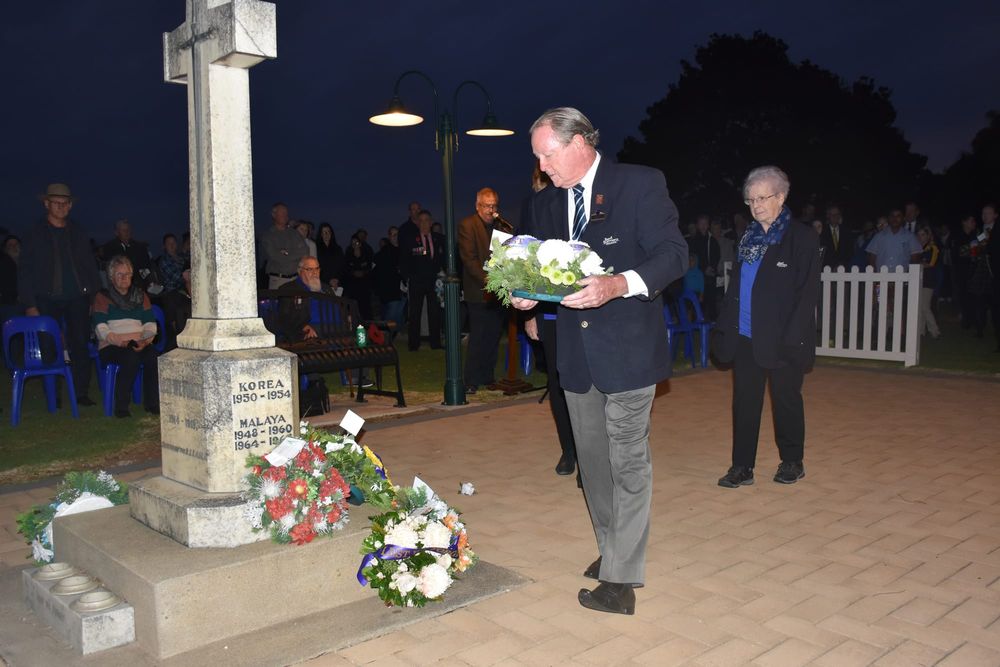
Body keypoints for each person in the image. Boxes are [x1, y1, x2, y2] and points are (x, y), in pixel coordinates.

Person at [514, 107, 687, 616]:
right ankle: (614, 549)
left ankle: (621, 580)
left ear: (579, 142)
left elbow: (673, 255)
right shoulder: (544, 204)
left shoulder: (639, 184)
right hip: (575, 355)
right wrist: (524, 296)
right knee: (593, 465)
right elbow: (535, 270)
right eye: (537, 158)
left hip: (629, 349)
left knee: (628, 460)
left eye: (548, 154)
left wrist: (617, 285)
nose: (542, 166)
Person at [713, 166, 820, 491]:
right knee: (745, 403)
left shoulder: (801, 238)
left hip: (783, 338)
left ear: (781, 197)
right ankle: (742, 466)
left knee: (786, 400)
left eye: (763, 198)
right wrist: (725, 327)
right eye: (751, 200)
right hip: (746, 335)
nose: (756, 205)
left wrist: (794, 339)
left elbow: (807, 294)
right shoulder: (748, 237)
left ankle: (792, 461)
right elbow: (736, 288)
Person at [19, 183, 102, 406]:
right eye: (56, 202)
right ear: (46, 204)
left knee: (80, 344)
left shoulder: (78, 232)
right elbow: (25, 270)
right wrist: (30, 304)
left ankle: (81, 393)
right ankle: (53, 394)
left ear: (70, 205)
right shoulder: (34, 233)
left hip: (77, 297)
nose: (61, 206)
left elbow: (89, 265)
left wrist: (93, 295)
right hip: (45, 298)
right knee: (49, 346)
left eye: (65, 203)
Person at [522, 163, 579, 478]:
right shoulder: (534, 209)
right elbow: (526, 267)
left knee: (583, 383)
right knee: (557, 383)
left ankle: (589, 457)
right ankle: (568, 450)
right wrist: (530, 315)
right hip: (549, 314)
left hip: (581, 310)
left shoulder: (579, 208)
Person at [93, 255, 160, 418]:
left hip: (139, 342)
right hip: (112, 345)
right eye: (119, 274)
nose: (124, 278)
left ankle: (152, 404)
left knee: (154, 357)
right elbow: (101, 328)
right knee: (131, 358)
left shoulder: (141, 295)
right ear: (111, 277)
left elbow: (150, 324)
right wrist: (121, 342)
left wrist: (145, 341)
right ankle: (121, 406)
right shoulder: (103, 297)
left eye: (127, 274)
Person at [458, 187, 508, 393]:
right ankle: (471, 380)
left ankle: (487, 377)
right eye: (487, 206)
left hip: (498, 292)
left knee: (493, 337)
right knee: (478, 337)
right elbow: (469, 260)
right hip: (479, 291)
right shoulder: (467, 225)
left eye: (494, 206)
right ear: (477, 206)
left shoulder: (501, 226)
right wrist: (490, 281)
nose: (491, 210)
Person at [399, 211, 444, 350]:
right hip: (416, 281)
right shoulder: (410, 239)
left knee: (435, 313)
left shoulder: (439, 238)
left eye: (426, 220)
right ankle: (413, 345)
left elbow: (445, 257)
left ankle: (435, 344)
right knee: (414, 313)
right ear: (418, 223)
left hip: (434, 281)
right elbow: (403, 259)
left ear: (431, 222)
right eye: (421, 220)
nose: (424, 223)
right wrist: (407, 277)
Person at [276, 256, 335, 343]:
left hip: (334, 327)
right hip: (310, 329)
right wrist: (302, 326)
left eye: (317, 269)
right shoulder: (288, 289)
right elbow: (284, 317)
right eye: (310, 269)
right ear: (300, 271)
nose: (315, 272)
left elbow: (338, 308)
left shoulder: (326, 289)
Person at [99, 219, 157, 291]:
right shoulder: (109, 248)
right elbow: (110, 270)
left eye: (128, 229)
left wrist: (142, 281)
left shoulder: (140, 247)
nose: (127, 232)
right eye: (123, 230)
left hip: (139, 287)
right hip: (118, 288)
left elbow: (146, 267)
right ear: (116, 232)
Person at [156, 233, 191, 350]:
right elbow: (178, 277)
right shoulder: (164, 260)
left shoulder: (181, 257)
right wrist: (188, 274)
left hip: (184, 293)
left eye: (173, 242)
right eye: (169, 243)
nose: (172, 245)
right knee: (177, 324)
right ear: (164, 246)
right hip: (171, 295)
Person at [260, 202, 307, 288]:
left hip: (295, 279)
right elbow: (276, 257)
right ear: (274, 215)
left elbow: (305, 250)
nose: (286, 216)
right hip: (278, 280)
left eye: (286, 213)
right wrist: (295, 254)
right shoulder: (268, 235)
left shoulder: (294, 233)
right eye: (282, 213)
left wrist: (286, 253)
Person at [687, 214, 720, 320]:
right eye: (701, 224)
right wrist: (703, 268)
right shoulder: (692, 241)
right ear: (697, 225)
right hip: (697, 277)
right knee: (697, 304)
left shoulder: (712, 240)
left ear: (708, 225)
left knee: (711, 302)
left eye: (705, 224)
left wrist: (712, 268)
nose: (703, 226)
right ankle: (697, 324)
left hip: (709, 277)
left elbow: (716, 255)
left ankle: (713, 324)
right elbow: (692, 258)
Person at [371, 225, 404, 331]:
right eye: (392, 235)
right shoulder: (384, 252)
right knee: (390, 317)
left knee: (399, 315)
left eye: (396, 234)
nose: (395, 237)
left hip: (403, 289)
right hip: (390, 290)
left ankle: (394, 336)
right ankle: (384, 337)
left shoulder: (403, 250)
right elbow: (374, 268)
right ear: (389, 237)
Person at [916, 225, 941, 339]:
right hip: (918, 280)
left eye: (923, 235)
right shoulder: (916, 249)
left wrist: (917, 264)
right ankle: (921, 331)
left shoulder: (932, 248)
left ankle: (935, 330)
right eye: (918, 235)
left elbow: (931, 264)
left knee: (925, 306)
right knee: (920, 306)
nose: (920, 237)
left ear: (928, 236)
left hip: (928, 280)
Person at [343, 232, 374, 319]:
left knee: (365, 310)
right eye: (352, 243)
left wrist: (363, 272)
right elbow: (345, 269)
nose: (354, 245)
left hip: (364, 287)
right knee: (353, 310)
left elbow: (370, 267)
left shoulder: (367, 253)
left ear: (360, 244)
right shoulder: (348, 254)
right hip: (352, 288)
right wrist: (353, 273)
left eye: (356, 243)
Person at [315, 223, 345, 291]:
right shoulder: (316, 248)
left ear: (331, 233)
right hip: (322, 283)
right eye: (324, 232)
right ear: (321, 234)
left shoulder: (338, 249)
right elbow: (316, 267)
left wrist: (337, 279)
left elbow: (342, 266)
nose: (327, 234)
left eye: (328, 231)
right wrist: (328, 280)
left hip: (337, 284)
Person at [1, 235, 21, 324]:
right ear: (5, 249)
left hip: (27, 305)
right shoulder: (3, 263)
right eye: (10, 245)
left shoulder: (27, 263)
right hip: (9, 305)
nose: (14, 247)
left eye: (16, 244)